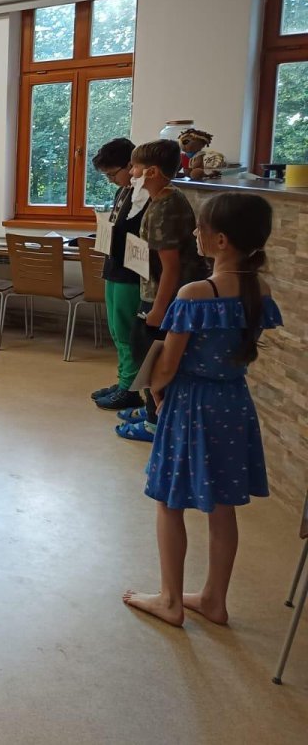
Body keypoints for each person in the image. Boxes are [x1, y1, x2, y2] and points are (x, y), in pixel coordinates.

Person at [122, 193, 282, 628]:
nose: (195, 233)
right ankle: (214, 599)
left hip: (191, 403)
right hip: (234, 402)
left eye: (201, 227)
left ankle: (170, 600)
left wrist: (155, 392)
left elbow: (168, 364)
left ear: (222, 240)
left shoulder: (195, 294)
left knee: (168, 501)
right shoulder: (260, 290)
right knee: (222, 505)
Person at [116, 140, 208, 442]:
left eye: (135, 167)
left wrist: (158, 308)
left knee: (151, 357)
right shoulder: (160, 200)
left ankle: (156, 422)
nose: (131, 173)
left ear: (152, 172)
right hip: (155, 291)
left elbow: (171, 267)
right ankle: (151, 409)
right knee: (142, 349)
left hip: (163, 297)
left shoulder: (166, 208)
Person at [88, 138, 146, 412]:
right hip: (114, 267)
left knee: (127, 331)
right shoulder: (123, 192)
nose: (111, 180)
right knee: (115, 329)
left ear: (131, 165)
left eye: (113, 174)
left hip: (131, 272)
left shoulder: (144, 195)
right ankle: (123, 380)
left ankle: (130, 388)